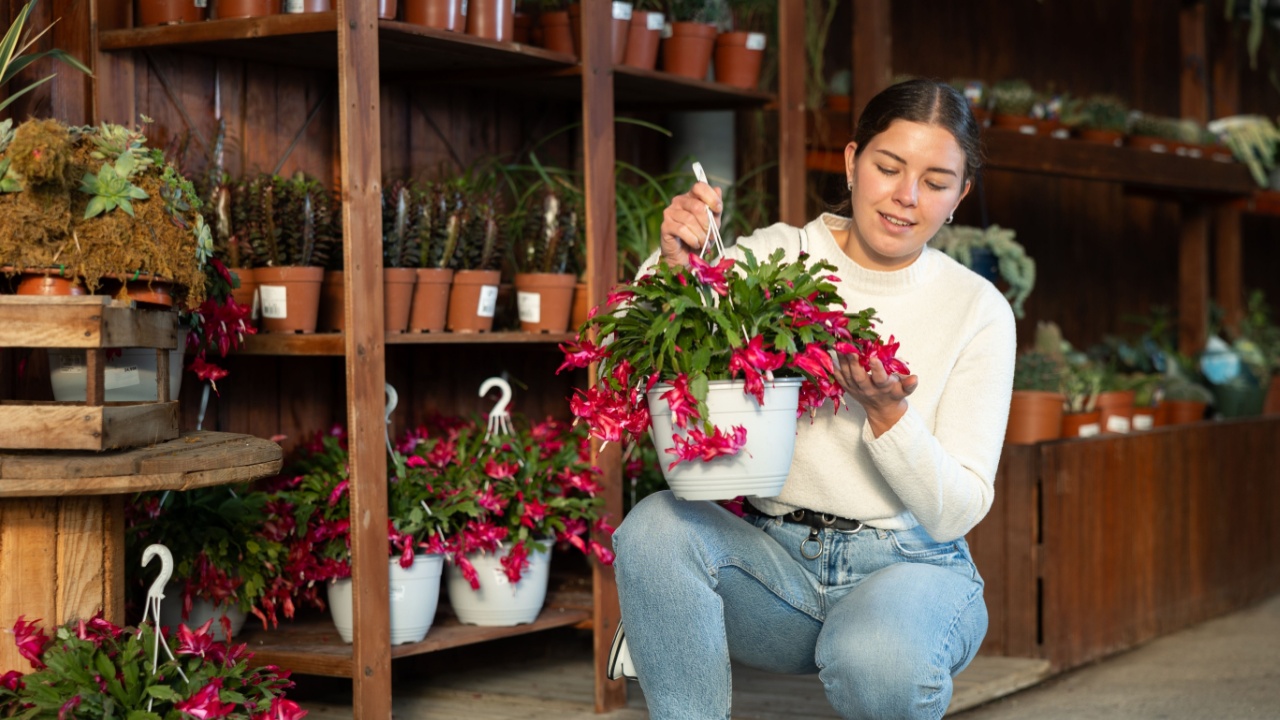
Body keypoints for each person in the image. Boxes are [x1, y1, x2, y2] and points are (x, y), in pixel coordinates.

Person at [610, 78, 1017, 720]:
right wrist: (674, 265)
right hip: (774, 565)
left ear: (960, 195)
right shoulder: (777, 256)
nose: (907, 198)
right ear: (853, 162)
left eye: (936, 182)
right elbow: (639, 342)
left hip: (912, 565)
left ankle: (875, 650)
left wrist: (888, 415)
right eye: (888, 167)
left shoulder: (977, 310)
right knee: (657, 528)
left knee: (878, 661)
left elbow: (956, 512)